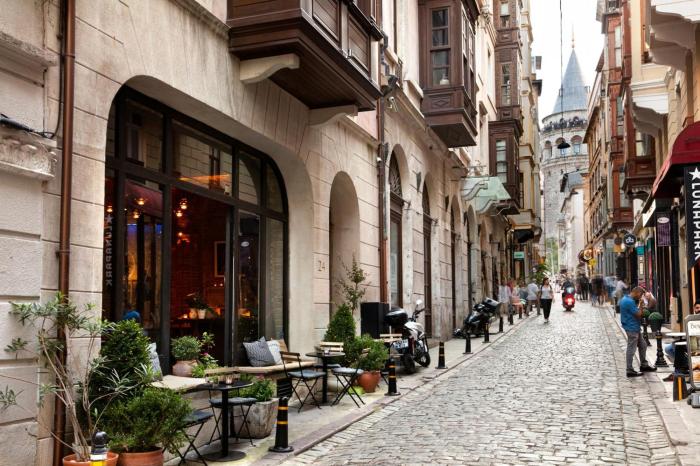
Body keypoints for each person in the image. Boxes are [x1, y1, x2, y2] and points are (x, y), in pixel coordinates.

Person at [621, 287, 656, 377]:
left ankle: (644, 365)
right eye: (641, 295)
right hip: (631, 328)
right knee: (631, 349)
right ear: (637, 293)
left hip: (634, 327)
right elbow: (639, 314)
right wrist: (641, 304)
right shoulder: (629, 302)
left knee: (643, 345)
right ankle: (629, 370)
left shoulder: (626, 299)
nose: (640, 297)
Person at [663, 300, 700, 381]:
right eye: (697, 308)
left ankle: (678, 371)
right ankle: (686, 366)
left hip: (697, 343)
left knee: (678, 346)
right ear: (694, 308)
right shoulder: (691, 318)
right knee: (668, 348)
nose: (699, 310)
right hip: (692, 340)